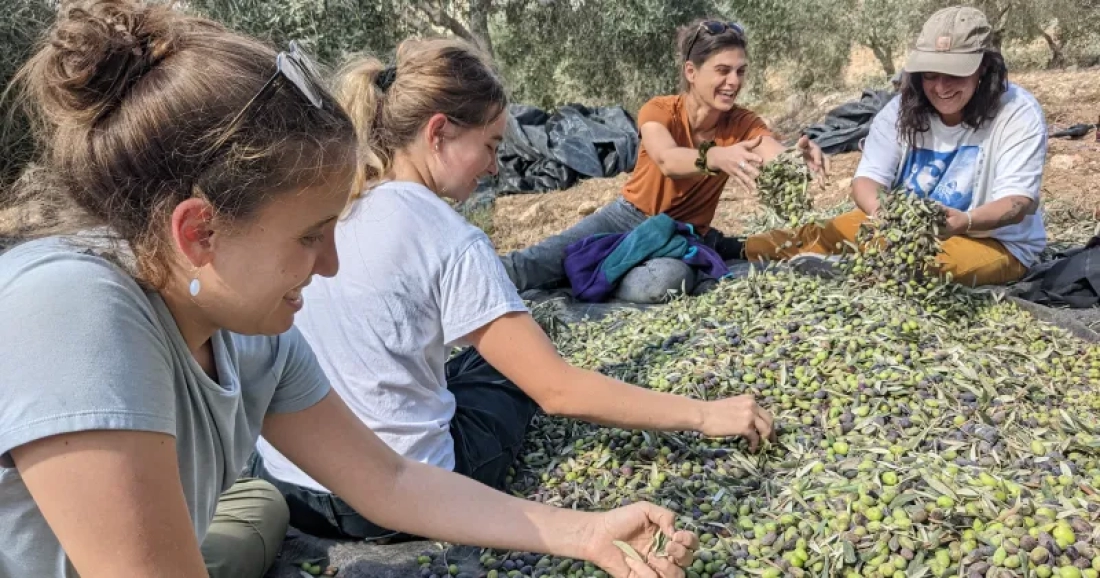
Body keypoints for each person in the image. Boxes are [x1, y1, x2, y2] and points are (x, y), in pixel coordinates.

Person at [0, 3, 698, 577]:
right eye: (310, 235)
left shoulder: (248, 333)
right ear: (199, 233)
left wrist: (585, 534)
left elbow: (388, 481)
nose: (330, 264)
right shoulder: (72, 311)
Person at [252, 36, 777, 543]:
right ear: (438, 132)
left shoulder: (337, 205)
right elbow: (558, 390)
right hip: (399, 499)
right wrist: (708, 414)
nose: (495, 167)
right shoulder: (449, 236)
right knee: (509, 376)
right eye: (490, 145)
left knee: (469, 362)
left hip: (295, 485)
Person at [500, 19, 827, 293]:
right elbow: (668, 159)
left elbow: (772, 152)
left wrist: (796, 158)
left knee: (666, 281)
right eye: (723, 70)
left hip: (683, 234)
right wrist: (715, 156)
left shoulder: (743, 122)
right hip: (627, 218)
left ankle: (611, 270)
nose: (733, 82)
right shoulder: (659, 110)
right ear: (691, 71)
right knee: (530, 266)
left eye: (741, 72)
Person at [745, 6, 1047, 287]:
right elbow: (867, 180)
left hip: (989, 241)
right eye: (930, 74)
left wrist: (964, 221)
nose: (941, 87)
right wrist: (882, 213)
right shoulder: (902, 109)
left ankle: (847, 270)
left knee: (917, 269)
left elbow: (1018, 202)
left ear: (983, 68)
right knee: (799, 239)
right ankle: (749, 251)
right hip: (897, 231)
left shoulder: (1016, 112)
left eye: (955, 73)